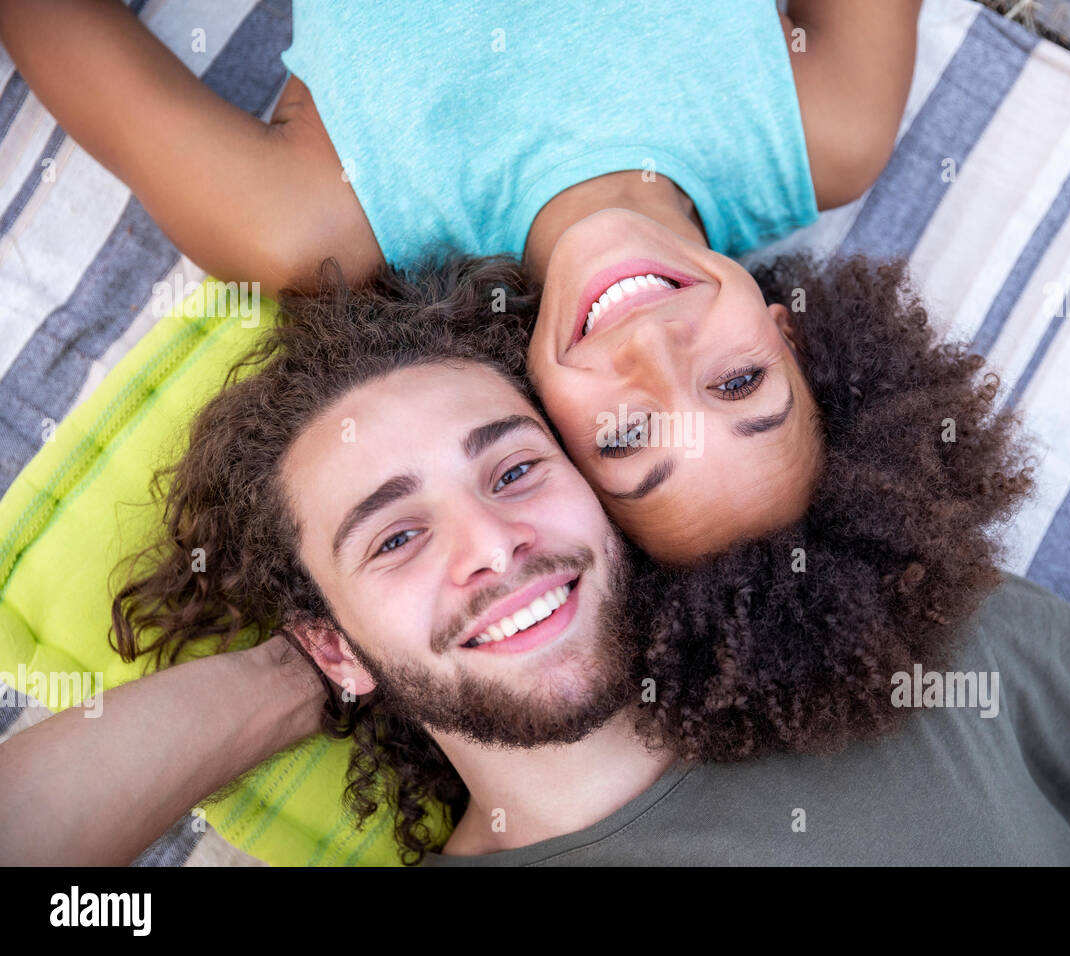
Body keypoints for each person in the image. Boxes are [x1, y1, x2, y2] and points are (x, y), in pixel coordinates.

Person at [2, 257, 1070, 866]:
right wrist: (306, 676)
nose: (495, 546)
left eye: (515, 469)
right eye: (394, 535)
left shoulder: (913, 648)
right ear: (332, 633)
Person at [0, 0, 923, 562]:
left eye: (628, 433)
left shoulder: (319, 229)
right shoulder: (825, 126)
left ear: (545, 438)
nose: (652, 348)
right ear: (789, 333)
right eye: (737, 382)